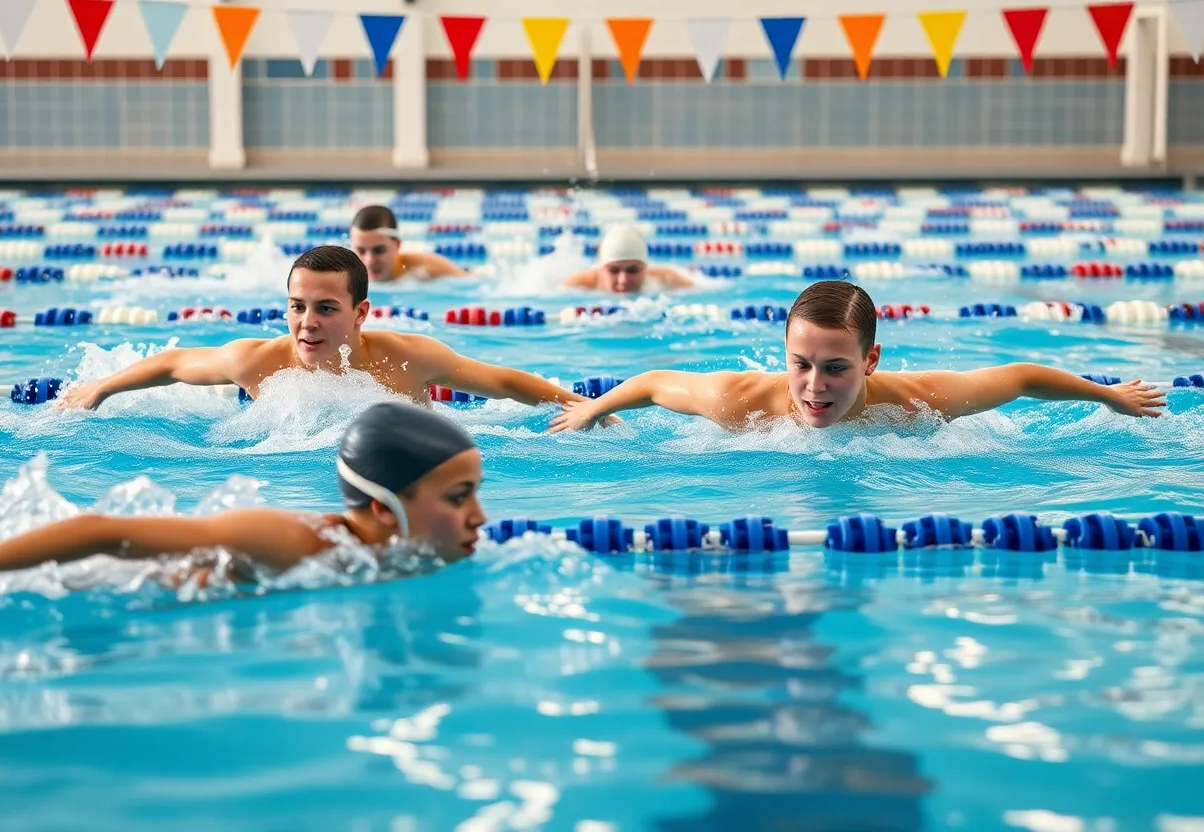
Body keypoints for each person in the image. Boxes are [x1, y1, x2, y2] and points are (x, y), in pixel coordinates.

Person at [548, 280, 1167, 433]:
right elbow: (655, 381)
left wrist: (1108, 396)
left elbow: (1020, 376)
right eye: (800, 363)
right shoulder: (742, 405)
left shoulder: (916, 403)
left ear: (871, 361)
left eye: (836, 367)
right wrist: (591, 410)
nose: (813, 386)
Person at [58, 245, 592, 412]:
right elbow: (175, 364)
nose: (307, 324)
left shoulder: (408, 357)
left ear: (361, 313)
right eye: (296, 307)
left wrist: (584, 406)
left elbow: (502, 382)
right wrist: (101, 388)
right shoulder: (259, 362)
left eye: (326, 309)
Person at [0, 401, 487, 575]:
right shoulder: (298, 539)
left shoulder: (406, 555)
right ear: (383, 508)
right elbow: (98, 531)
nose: (480, 516)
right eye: (458, 497)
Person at [562, 224, 695, 294]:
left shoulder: (667, 278)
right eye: (613, 270)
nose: (623, 280)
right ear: (601, 268)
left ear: (645, 267)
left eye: (633, 270)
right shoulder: (578, 284)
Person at [349, 204, 467, 282]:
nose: (370, 260)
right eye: (361, 251)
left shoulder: (427, 269)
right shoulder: (344, 277)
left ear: (397, 245)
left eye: (379, 250)